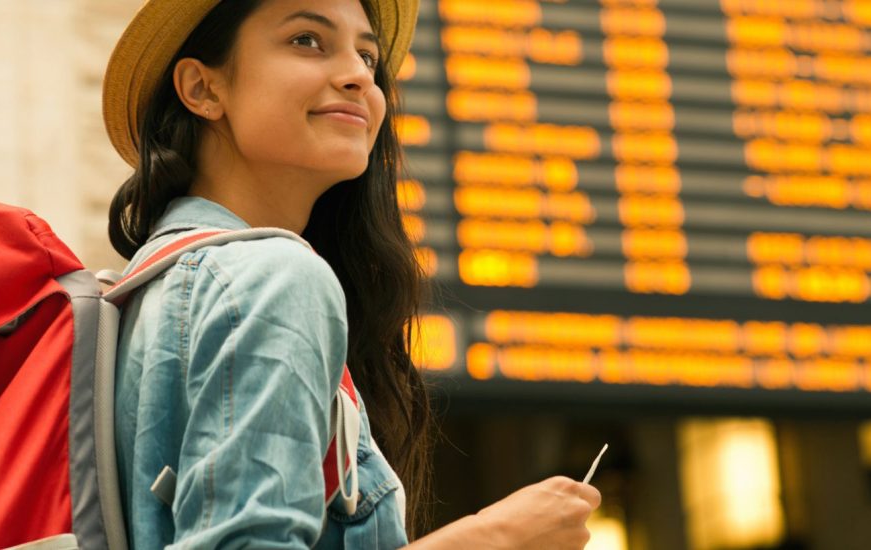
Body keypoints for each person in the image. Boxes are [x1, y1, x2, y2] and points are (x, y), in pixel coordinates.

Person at [101, 0, 602, 548]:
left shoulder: (146, 290)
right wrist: (497, 536)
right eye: (307, 41)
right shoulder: (274, 277)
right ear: (202, 88)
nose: (358, 76)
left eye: (367, 55)